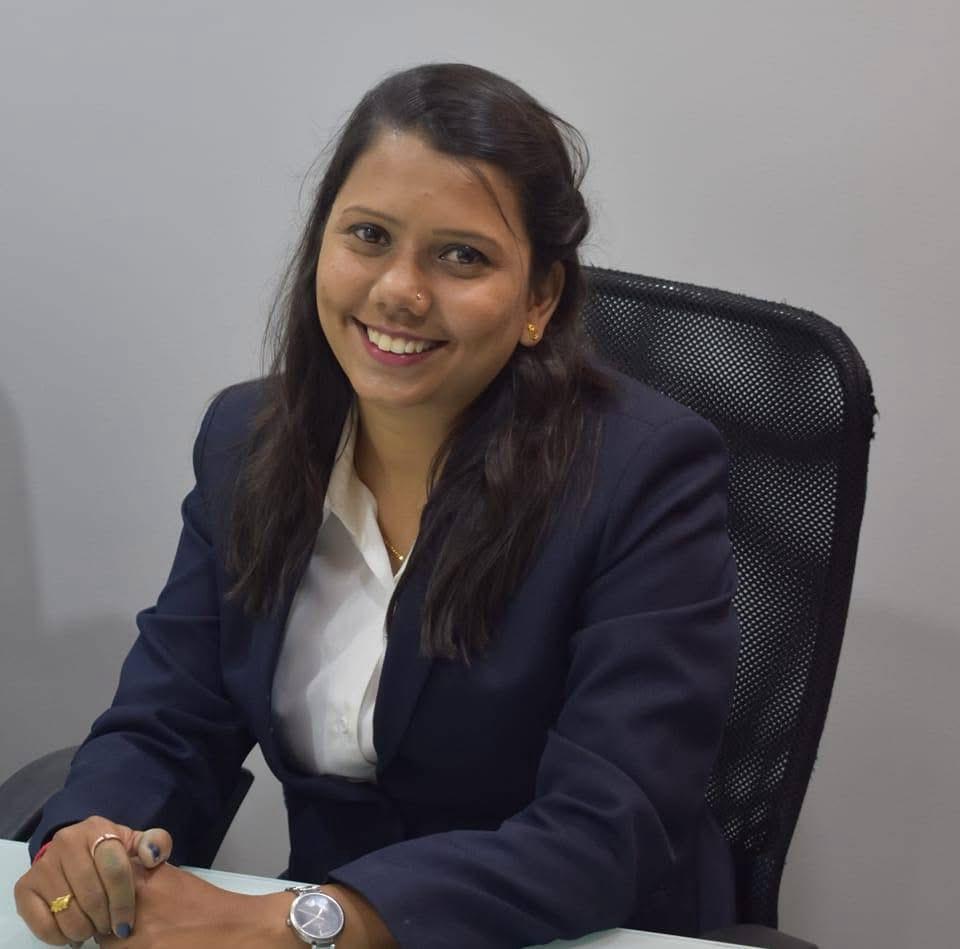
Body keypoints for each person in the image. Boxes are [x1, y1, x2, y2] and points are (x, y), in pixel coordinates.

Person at [14, 63, 739, 949]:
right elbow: (170, 721)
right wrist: (92, 836)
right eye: (368, 235)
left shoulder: (644, 473)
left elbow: (607, 824)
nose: (400, 290)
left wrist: (311, 922)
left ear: (540, 298)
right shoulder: (247, 441)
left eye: (462, 255)